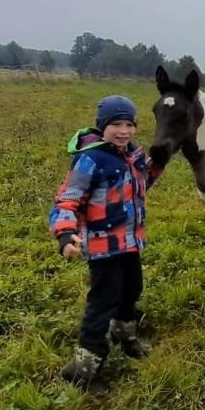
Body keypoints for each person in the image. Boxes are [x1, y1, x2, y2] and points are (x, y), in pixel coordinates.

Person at [48, 94, 165, 387]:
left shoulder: (132, 153)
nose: (124, 131)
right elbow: (67, 200)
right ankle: (83, 370)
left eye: (129, 124)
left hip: (129, 243)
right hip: (103, 249)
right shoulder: (91, 158)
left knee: (131, 291)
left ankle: (126, 337)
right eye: (116, 124)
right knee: (102, 303)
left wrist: (158, 163)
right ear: (102, 126)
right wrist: (64, 234)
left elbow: (142, 183)